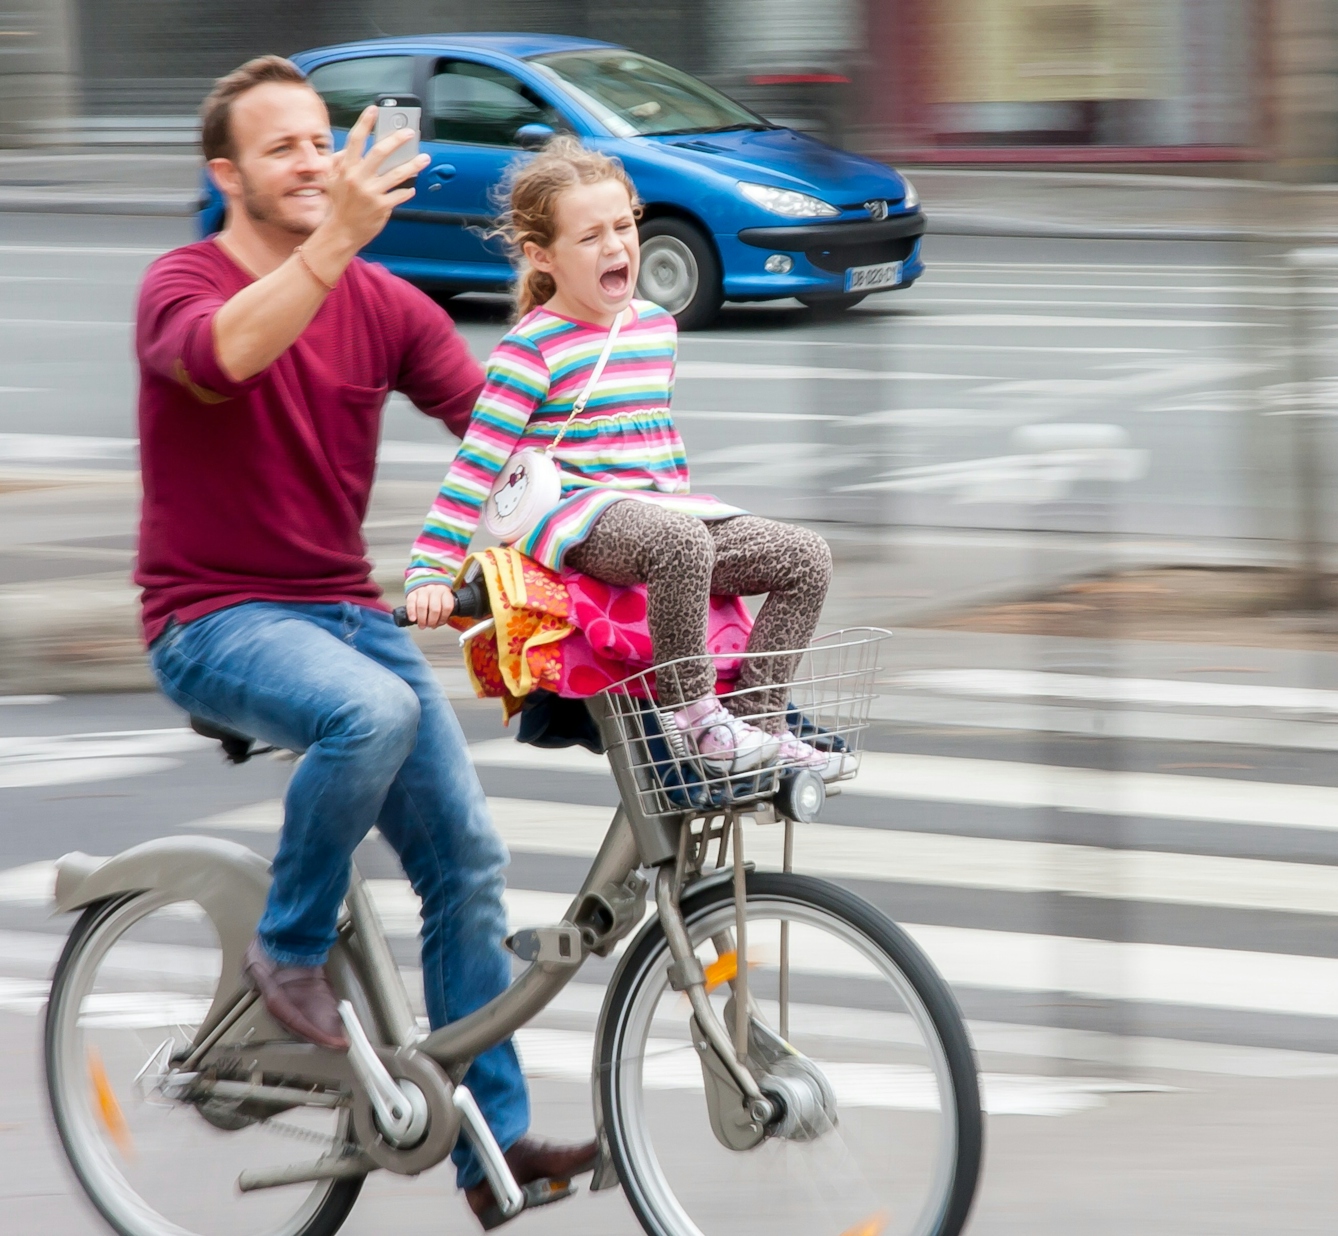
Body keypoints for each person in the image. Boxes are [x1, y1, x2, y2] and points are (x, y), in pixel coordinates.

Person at [135, 56, 595, 1227]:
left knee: (469, 863)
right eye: (282, 147)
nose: (312, 162)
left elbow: (505, 429)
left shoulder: (383, 303)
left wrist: (626, 516)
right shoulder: (180, 283)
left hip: (345, 610)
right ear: (226, 173)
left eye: (322, 142)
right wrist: (332, 243)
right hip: (212, 617)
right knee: (372, 715)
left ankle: (488, 1153)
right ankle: (285, 952)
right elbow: (225, 354)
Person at [404, 138, 833, 771]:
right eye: (589, 237)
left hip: (663, 512)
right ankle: (698, 721)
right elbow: (476, 465)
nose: (616, 246)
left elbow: (651, 445)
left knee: (805, 557)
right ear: (541, 257)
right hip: (581, 517)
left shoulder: (656, 327)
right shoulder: (532, 349)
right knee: (680, 541)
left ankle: (756, 721)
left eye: (624, 225)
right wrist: (430, 573)